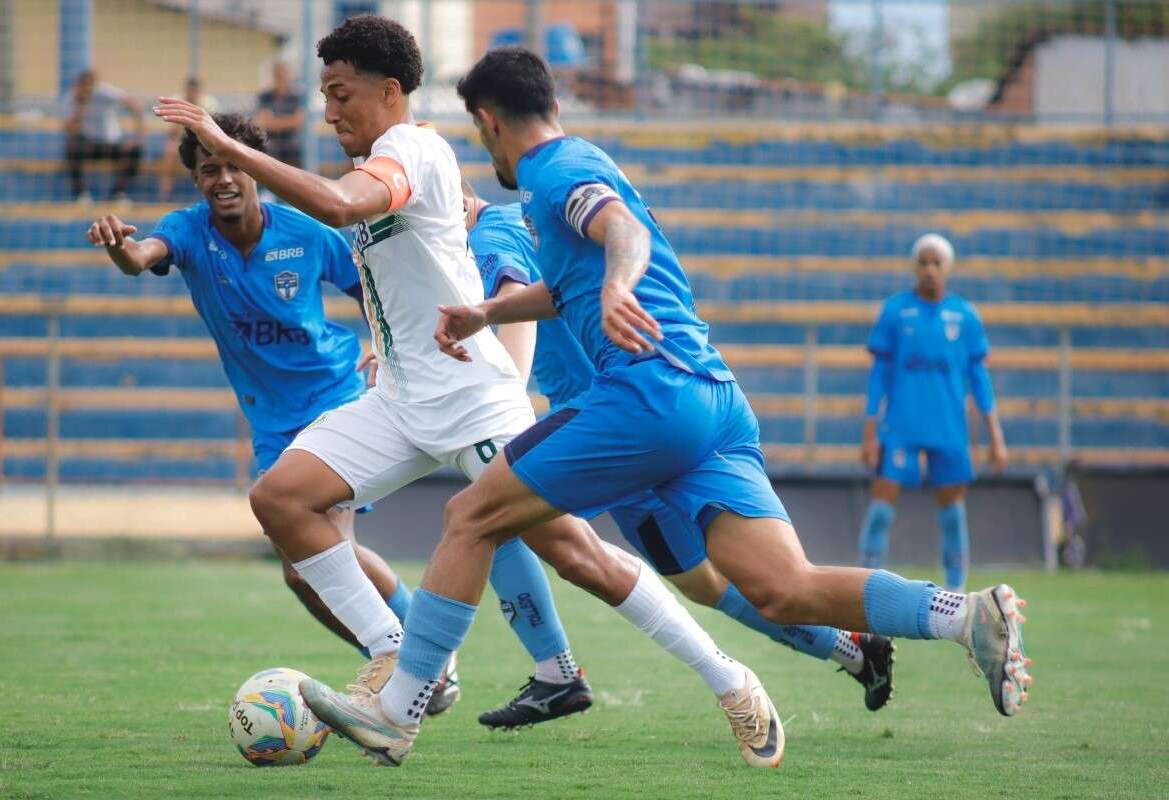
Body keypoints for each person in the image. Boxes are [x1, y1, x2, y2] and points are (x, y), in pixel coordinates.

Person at [322, 46, 1034, 768]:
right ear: (555, 106)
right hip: (714, 399)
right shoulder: (585, 160)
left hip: (645, 395)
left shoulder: (551, 173)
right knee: (783, 589)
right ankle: (964, 614)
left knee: (470, 517)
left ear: (487, 123)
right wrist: (488, 312)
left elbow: (620, 236)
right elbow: (579, 271)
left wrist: (617, 286)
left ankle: (397, 709)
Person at [155, 15, 780, 768]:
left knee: (577, 556)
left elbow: (345, 206)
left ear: (389, 92)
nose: (328, 111)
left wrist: (229, 147)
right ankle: (400, 657)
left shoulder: (409, 148)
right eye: (323, 95)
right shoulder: (392, 157)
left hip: (472, 398)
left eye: (340, 93)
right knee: (281, 499)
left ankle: (731, 680)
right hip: (402, 396)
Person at [84, 111, 589, 720]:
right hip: (273, 420)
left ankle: (418, 663)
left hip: (338, 395)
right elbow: (142, 256)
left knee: (457, 525)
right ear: (194, 179)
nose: (223, 179)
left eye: (233, 166)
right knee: (304, 574)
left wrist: (393, 341)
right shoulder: (189, 232)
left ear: (256, 171)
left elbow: (381, 286)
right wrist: (120, 248)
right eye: (209, 169)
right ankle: (419, 659)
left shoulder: (303, 230)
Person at [462, 181, 896, 726]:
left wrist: (509, 403)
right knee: (704, 579)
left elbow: (514, 301)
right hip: (624, 404)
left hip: (604, 423)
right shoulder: (520, 220)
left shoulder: (486, 236)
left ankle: (559, 672)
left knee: (703, 580)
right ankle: (853, 648)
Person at [857, 234, 1008, 593]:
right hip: (901, 426)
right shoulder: (895, 311)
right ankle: (863, 583)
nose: (930, 270)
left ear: (949, 268)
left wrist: (994, 435)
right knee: (881, 503)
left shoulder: (966, 316)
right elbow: (879, 375)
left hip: (948, 427)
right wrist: (869, 429)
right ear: (915, 266)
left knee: (953, 508)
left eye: (936, 263)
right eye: (923, 263)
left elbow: (979, 379)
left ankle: (956, 593)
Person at [62, 69, 144, 203]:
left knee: (135, 151)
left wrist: (137, 137)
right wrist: (81, 108)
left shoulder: (104, 92)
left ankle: (117, 194)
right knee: (71, 148)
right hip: (90, 144)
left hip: (111, 143)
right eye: (85, 87)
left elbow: (133, 104)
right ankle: (81, 195)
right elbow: (70, 131)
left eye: (91, 86)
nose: (88, 91)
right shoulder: (71, 99)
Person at [158, 77, 220, 199]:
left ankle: (207, 188)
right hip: (181, 140)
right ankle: (165, 192)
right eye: (190, 90)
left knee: (208, 154)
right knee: (170, 149)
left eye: (195, 90)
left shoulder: (209, 103)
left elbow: (215, 130)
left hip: (203, 141)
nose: (192, 93)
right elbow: (171, 133)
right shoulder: (176, 101)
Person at [255, 62, 305, 168]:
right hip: (270, 143)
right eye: (278, 75)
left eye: (284, 75)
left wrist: (275, 121)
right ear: (274, 76)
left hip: (291, 144)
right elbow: (263, 122)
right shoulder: (265, 96)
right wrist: (287, 121)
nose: (282, 78)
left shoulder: (296, 96)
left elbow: (297, 122)